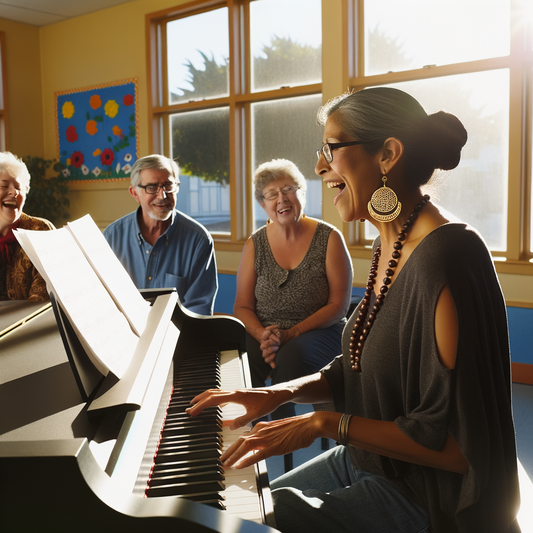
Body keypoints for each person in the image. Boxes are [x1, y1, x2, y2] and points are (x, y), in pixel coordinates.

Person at [187, 88, 521, 533]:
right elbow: (360, 363)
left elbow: (461, 448)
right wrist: (276, 394)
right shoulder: (388, 243)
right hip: (372, 460)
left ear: (387, 154)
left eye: (331, 148)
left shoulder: (450, 258)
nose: (319, 166)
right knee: (237, 501)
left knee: (249, 521)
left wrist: (323, 423)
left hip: (426, 494)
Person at [234, 159, 352, 419]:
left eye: (288, 190)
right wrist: (263, 334)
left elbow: (338, 306)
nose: (281, 200)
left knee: (291, 357)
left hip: (321, 330)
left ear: (302, 193)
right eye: (271, 194)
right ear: (262, 204)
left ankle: (282, 430)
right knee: (238, 356)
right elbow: (242, 306)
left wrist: (292, 333)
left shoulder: (330, 237)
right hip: (267, 331)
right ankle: (246, 426)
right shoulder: (255, 243)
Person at [103, 154, 217, 316]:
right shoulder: (111, 237)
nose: (162, 196)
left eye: (168, 186)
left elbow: (198, 309)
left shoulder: (198, 240)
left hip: (176, 337)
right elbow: (102, 299)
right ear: (135, 193)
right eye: (152, 187)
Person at [0, 152, 54, 301]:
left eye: (18, 187)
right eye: (4, 186)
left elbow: (42, 297)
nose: (13, 192)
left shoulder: (40, 230)